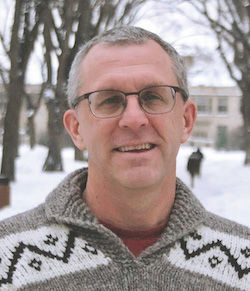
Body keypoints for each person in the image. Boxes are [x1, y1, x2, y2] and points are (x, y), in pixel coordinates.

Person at [0, 26, 249, 291]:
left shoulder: (243, 264)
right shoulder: (6, 259)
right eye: (109, 100)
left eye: (153, 97)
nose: (134, 119)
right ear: (76, 129)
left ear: (186, 121)